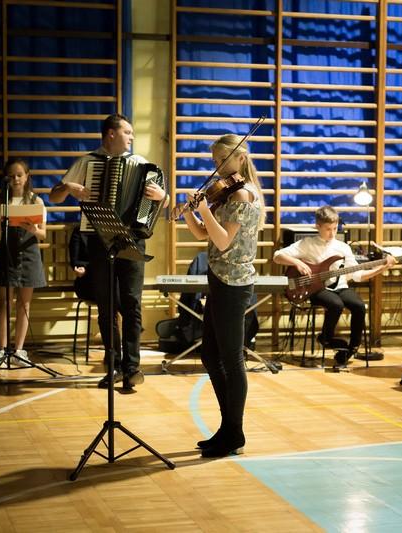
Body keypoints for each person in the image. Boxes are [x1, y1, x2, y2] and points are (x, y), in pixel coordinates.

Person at [49, 113, 167, 390]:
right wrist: (67, 187)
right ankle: (113, 365)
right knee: (106, 305)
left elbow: (160, 202)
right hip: (98, 240)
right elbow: (54, 196)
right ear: (111, 134)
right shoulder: (87, 162)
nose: (132, 137)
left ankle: (132, 367)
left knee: (132, 303)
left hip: (132, 238)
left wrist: (163, 196)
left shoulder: (141, 165)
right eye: (127, 132)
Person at [180, 133, 264, 458]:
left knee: (231, 358)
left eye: (222, 159)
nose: (217, 166)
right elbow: (204, 233)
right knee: (210, 355)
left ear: (240, 158)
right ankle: (227, 427)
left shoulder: (242, 194)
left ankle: (234, 431)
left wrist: (203, 208)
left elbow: (224, 241)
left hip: (234, 283)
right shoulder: (228, 194)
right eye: (214, 161)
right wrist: (190, 213)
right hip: (218, 279)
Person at [273, 205, 395, 366]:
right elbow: (277, 256)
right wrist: (296, 262)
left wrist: (381, 269)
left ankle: (352, 348)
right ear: (318, 226)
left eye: (335, 228)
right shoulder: (307, 244)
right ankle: (326, 338)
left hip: (340, 286)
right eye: (328, 229)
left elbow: (357, 275)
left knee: (359, 306)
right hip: (316, 288)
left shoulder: (343, 247)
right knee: (336, 304)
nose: (332, 233)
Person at [0, 158, 47, 363]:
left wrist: (33, 229)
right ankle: (2, 349)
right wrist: (0, 224)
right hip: (7, 253)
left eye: (19, 175)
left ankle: (19, 350)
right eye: (11, 176)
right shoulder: (1, 201)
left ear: (27, 176)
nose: (15, 179)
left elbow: (43, 234)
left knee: (24, 303)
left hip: (29, 254)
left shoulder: (36, 201)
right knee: (4, 302)